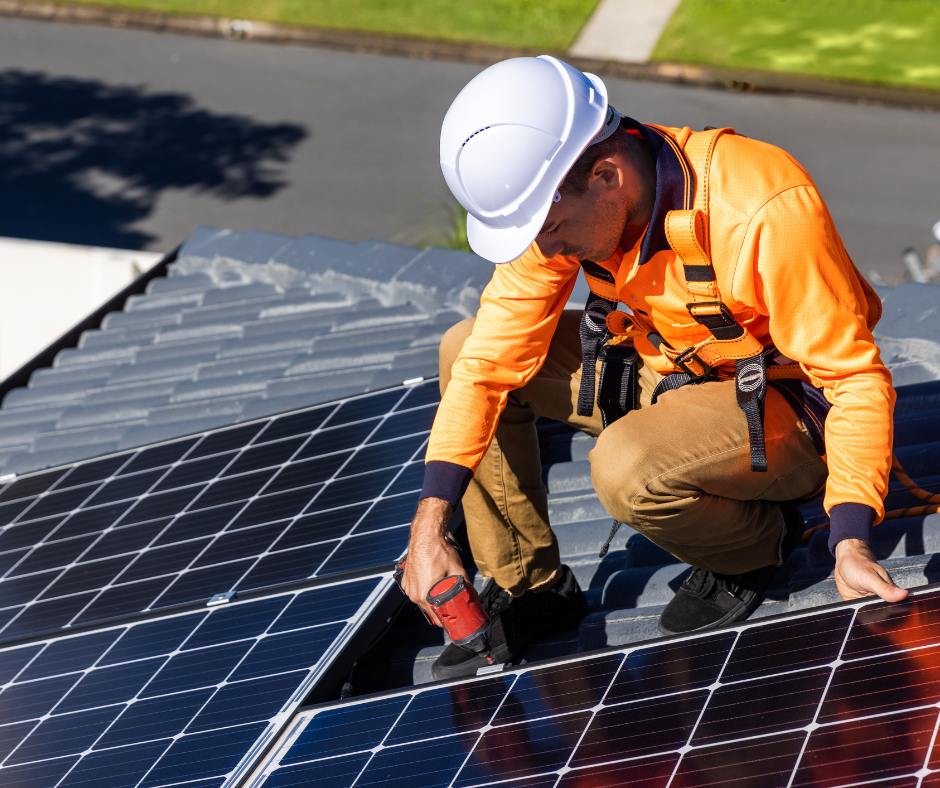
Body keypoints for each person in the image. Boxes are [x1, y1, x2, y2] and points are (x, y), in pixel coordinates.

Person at [400, 55, 907, 680]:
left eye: (553, 229)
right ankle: (532, 584)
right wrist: (429, 527)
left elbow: (853, 380)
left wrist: (850, 536)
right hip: (668, 372)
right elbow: (484, 364)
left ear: (607, 174)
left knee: (625, 466)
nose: (548, 251)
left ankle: (752, 545)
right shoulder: (570, 205)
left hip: (785, 411)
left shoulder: (762, 207)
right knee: (463, 345)